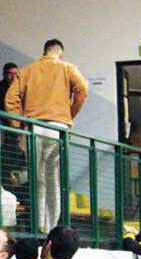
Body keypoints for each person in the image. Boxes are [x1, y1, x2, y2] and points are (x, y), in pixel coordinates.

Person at [6, 39, 88, 233]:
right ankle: (51, 229)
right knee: (53, 179)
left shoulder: (27, 71)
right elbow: (83, 89)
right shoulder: (68, 68)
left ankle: (37, 225)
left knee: (36, 179)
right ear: (61, 54)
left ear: (44, 52)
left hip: (33, 128)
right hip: (58, 128)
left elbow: (10, 99)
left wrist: (18, 125)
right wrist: (69, 114)